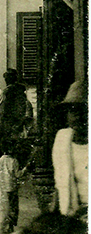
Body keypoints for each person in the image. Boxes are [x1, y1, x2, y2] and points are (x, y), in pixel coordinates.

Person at [52, 80, 88, 221]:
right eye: (73, 110)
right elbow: (60, 184)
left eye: (84, 110)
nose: (78, 116)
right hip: (71, 216)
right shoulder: (62, 139)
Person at [0, 69, 30, 159]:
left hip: (9, 123)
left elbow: (3, 110)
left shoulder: (7, 92)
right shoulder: (21, 92)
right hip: (17, 123)